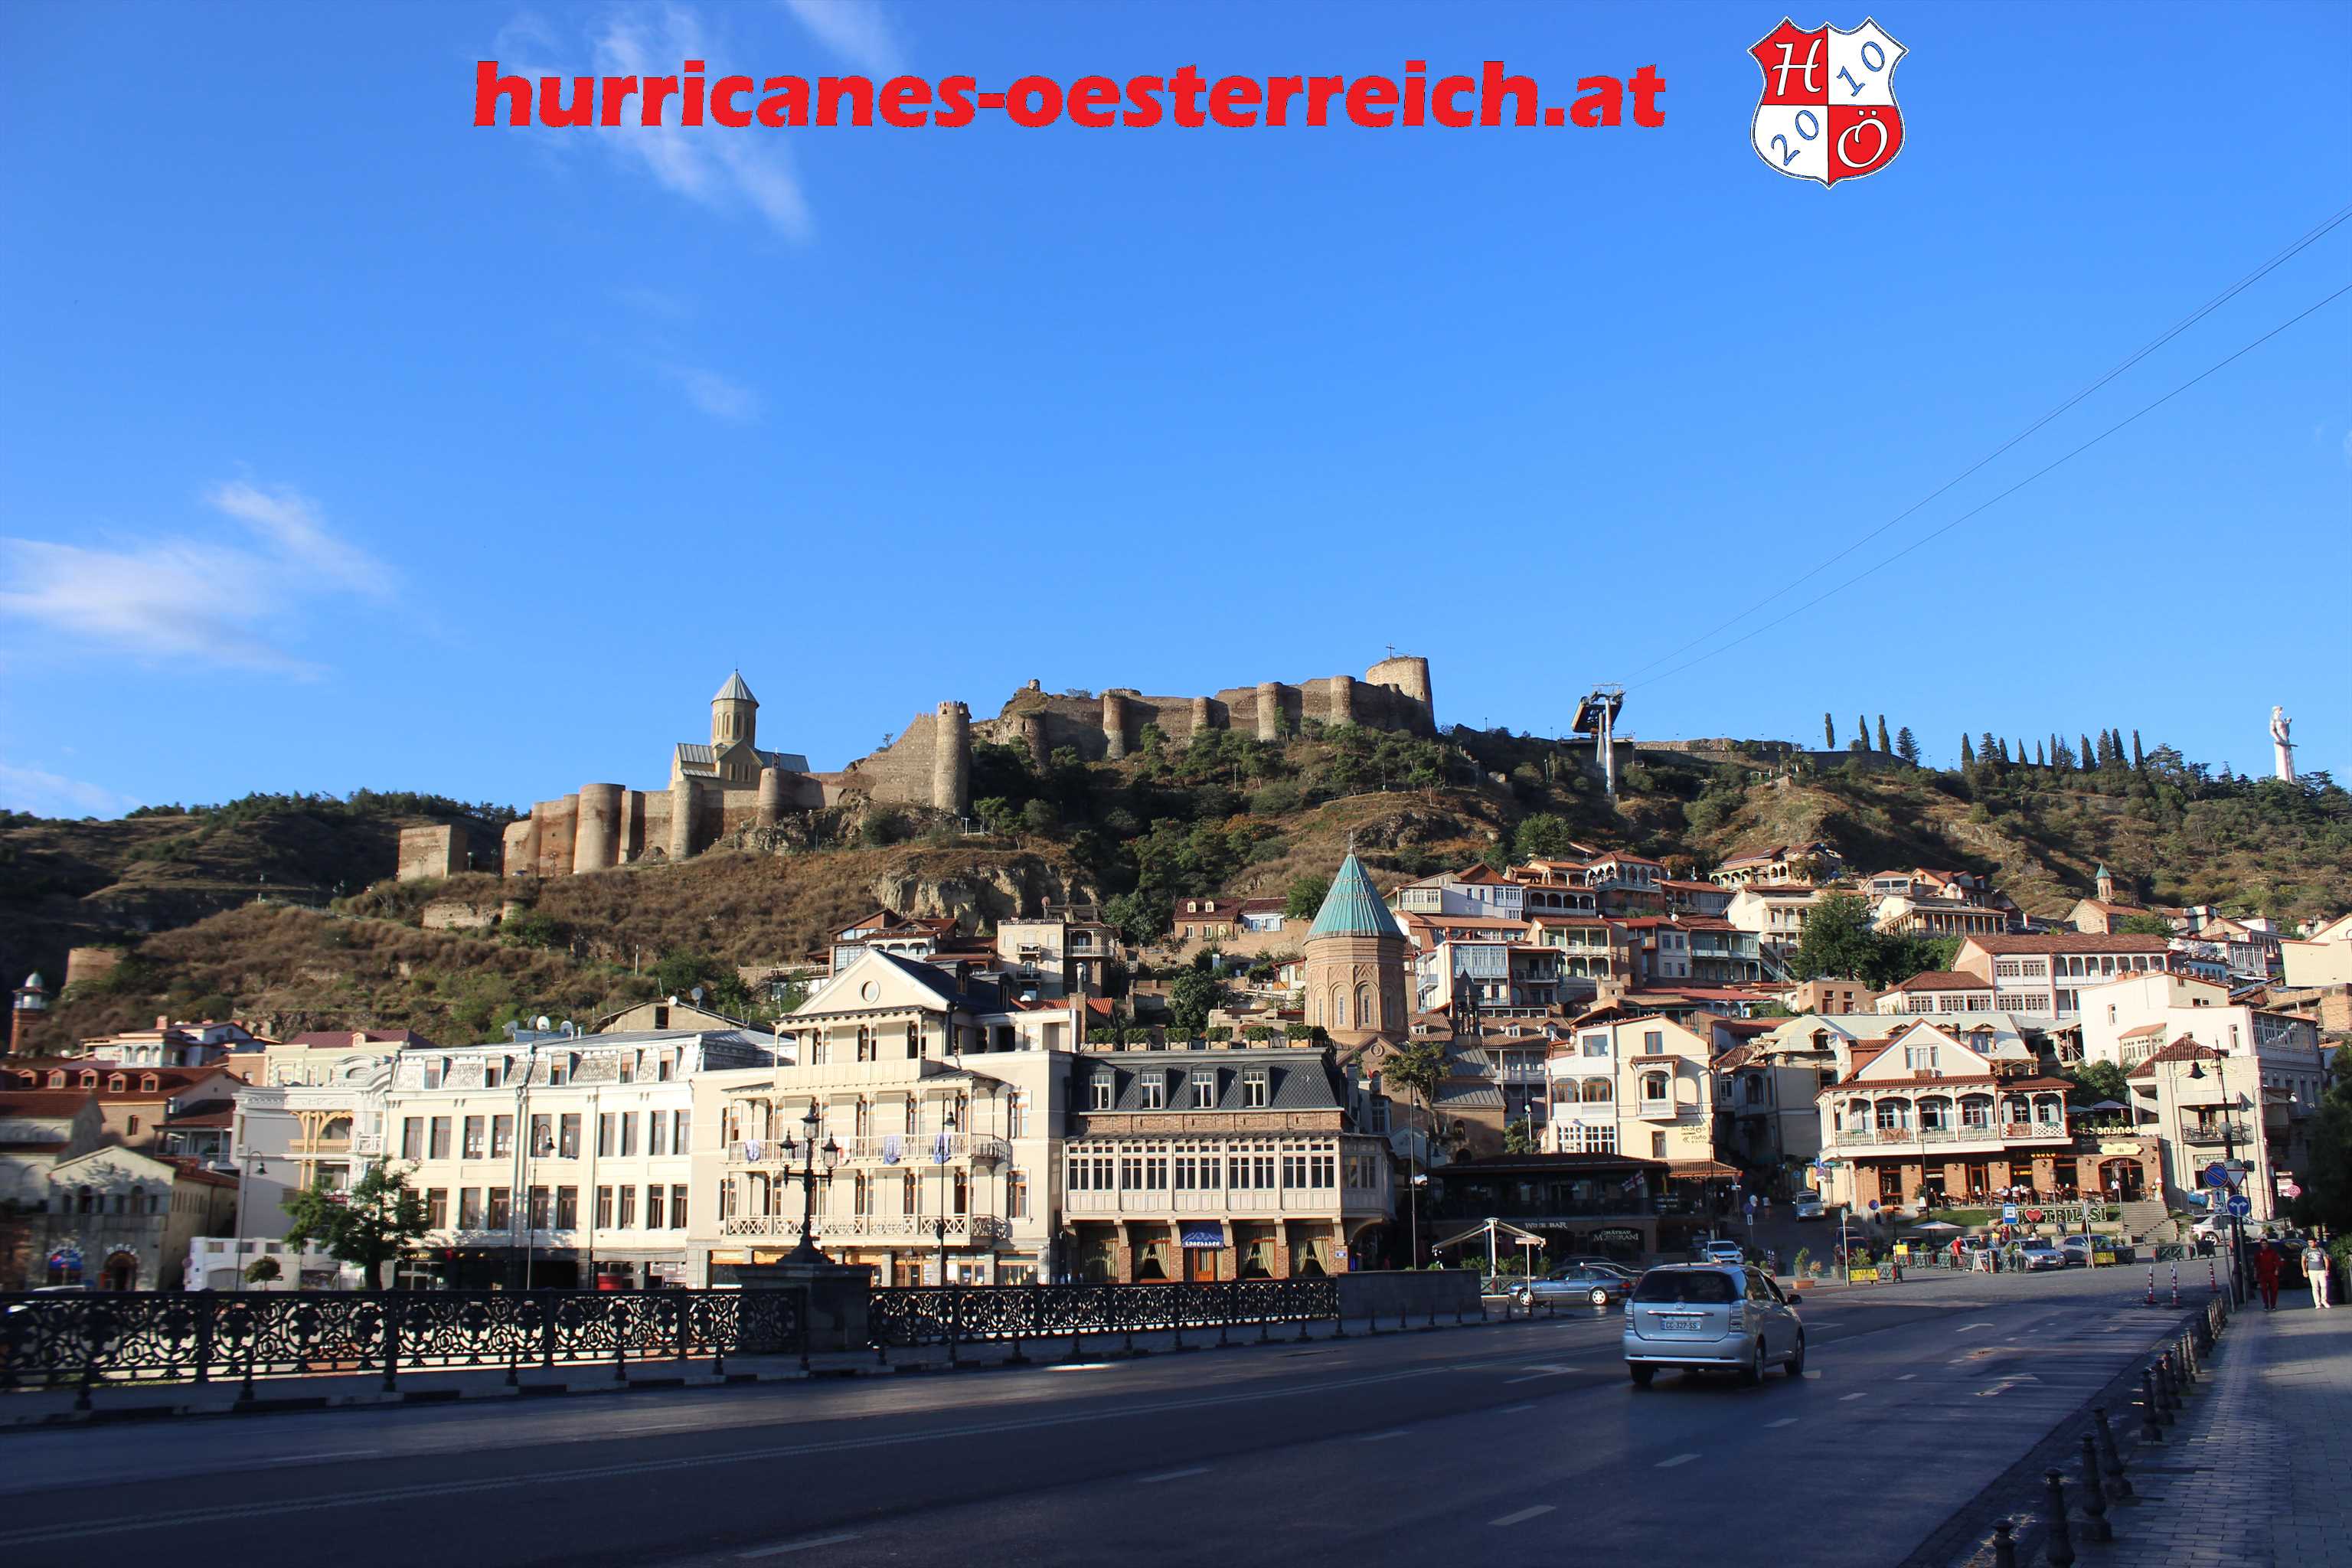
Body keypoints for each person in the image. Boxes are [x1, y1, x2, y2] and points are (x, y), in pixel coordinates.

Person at [2302, 1238, 2333, 1311]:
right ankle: (2317, 1303)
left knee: (2324, 1286)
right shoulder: (2306, 1250)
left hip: (2321, 1270)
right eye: (2309, 1243)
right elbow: (2303, 1261)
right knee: (2315, 1287)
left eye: (2311, 1242)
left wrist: (2327, 1269)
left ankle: (2324, 1300)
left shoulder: (2320, 1250)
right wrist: (2304, 1271)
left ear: (2315, 1242)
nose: (2310, 1244)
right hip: (2312, 1271)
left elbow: (2326, 1260)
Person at [2255, 1240, 2282, 1310]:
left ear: (2267, 1244)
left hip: (2272, 1273)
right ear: (2261, 1245)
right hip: (2262, 1274)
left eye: (2265, 1244)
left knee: (2274, 1290)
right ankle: (2266, 1304)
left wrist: (2277, 1270)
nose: (2264, 1245)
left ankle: (2273, 1305)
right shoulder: (2259, 1253)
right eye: (2262, 1244)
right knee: (2263, 1290)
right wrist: (2256, 1273)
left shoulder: (2272, 1252)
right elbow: (2256, 1263)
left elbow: (2277, 1261)